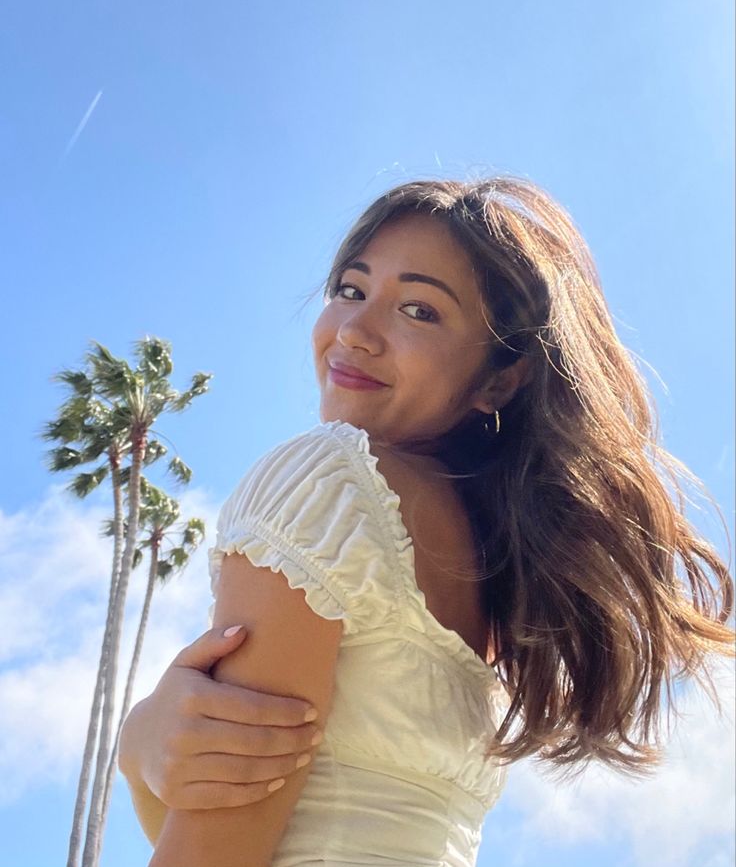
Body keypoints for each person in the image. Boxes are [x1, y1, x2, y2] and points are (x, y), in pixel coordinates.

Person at [119, 176, 735, 867]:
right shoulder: (491, 583)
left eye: (418, 310)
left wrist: (136, 744)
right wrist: (141, 745)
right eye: (351, 290)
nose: (354, 331)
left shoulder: (321, 482)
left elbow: (216, 852)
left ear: (500, 379)